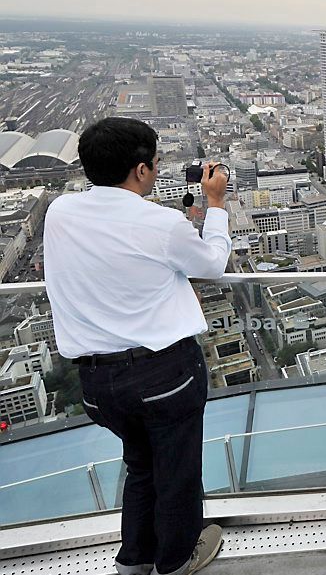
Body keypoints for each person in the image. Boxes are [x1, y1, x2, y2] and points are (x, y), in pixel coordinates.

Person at [43, 117, 231, 575]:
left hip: (96, 382)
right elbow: (213, 264)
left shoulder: (60, 212)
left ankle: (134, 560)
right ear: (142, 170)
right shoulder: (161, 223)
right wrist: (216, 201)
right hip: (162, 374)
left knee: (141, 465)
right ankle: (174, 561)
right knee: (177, 472)